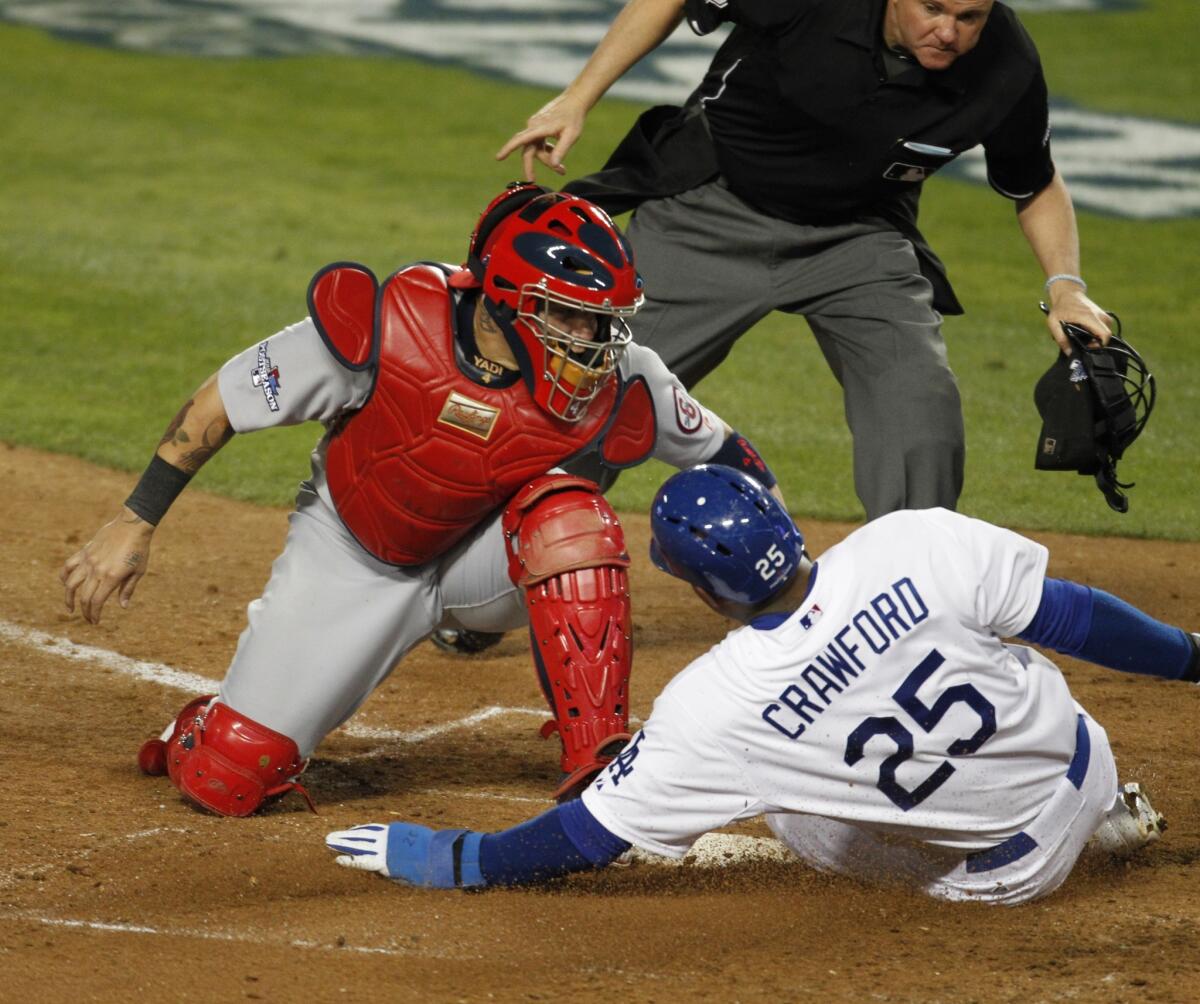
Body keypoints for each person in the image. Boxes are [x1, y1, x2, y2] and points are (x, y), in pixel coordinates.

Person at [58, 184, 783, 816]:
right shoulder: (385, 324)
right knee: (229, 778)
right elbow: (228, 397)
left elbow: (726, 453)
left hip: (481, 561)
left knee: (572, 517)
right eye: (569, 317)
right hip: (350, 553)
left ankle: (597, 758)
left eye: (601, 320)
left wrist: (793, 573)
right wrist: (135, 518)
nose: (592, 340)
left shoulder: (627, 377)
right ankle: (209, 726)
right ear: (506, 298)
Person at [324, 464, 1198, 906]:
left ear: (702, 590)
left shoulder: (717, 706)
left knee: (784, 802)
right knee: (1012, 648)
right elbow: (1078, 619)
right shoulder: (914, 540)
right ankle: (1104, 818)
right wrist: (1193, 656)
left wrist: (453, 856)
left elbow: (587, 837)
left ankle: (1069, 847)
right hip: (1084, 756)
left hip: (1017, 873)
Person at [495, 0, 1114, 519]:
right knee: (585, 398)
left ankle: (920, 593)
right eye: (932, 7)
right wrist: (577, 98)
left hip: (859, 239)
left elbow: (1035, 183)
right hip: (710, 212)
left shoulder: (1005, 63)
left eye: (969, 15)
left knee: (920, 413)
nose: (949, 31)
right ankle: (485, 573)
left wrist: (1067, 288)